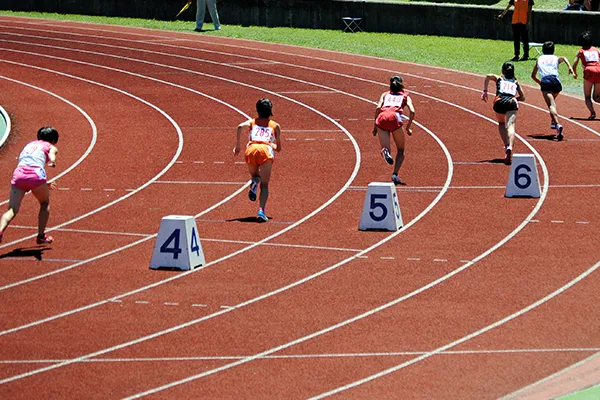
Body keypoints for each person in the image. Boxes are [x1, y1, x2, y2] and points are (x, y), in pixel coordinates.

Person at [0, 126, 59, 244]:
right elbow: (52, 155)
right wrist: (52, 162)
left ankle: (0, 231)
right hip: (36, 176)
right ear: (53, 140)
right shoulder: (50, 146)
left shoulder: (29, 145)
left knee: (12, 209)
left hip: (19, 175)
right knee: (44, 203)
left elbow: (28, 163)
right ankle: (41, 236)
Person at [234, 99, 281, 222]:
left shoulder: (252, 122)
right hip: (265, 149)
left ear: (257, 110)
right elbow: (279, 148)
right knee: (264, 185)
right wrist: (272, 145)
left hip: (251, 149)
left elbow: (239, 127)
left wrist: (238, 146)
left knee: (255, 176)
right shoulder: (275, 126)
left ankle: (254, 181)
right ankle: (261, 211)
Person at [372, 75, 415, 185]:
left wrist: (374, 127)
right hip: (395, 118)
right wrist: (408, 128)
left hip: (381, 117)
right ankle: (395, 174)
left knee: (386, 147)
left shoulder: (385, 94)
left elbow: (377, 108)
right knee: (400, 150)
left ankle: (385, 151)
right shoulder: (405, 96)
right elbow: (412, 111)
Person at [481, 62, 526, 165]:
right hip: (512, 102)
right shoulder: (515, 81)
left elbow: (488, 76)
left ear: (503, 71)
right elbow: (523, 97)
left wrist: (485, 91)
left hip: (499, 101)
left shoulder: (499, 78)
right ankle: (510, 146)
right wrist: (515, 99)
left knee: (501, 123)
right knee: (511, 126)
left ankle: (506, 146)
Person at [531, 41, 574, 141]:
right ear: (553, 50)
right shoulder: (555, 58)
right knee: (553, 103)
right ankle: (553, 121)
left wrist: (540, 82)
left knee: (551, 105)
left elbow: (533, 76)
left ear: (543, 50)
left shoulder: (539, 59)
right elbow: (563, 58)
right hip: (556, 82)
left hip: (546, 81)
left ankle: (558, 125)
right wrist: (569, 67)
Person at [572, 31, 600, 120]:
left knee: (587, 96)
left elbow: (575, 62)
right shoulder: (596, 50)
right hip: (599, 70)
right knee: (596, 97)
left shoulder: (580, 51)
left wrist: (574, 72)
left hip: (589, 70)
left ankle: (592, 113)